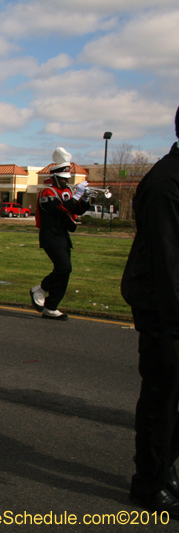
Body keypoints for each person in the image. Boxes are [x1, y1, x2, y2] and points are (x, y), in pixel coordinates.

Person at [121, 107, 179, 519]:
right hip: (166, 311)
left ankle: (165, 468)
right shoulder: (166, 182)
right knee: (163, 398)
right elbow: (169, 262)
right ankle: (149, 482)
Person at [29, 148, 89, 320]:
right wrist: (76, 197)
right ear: (55, 177)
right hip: (50, 235)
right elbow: (59, 210)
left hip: (63, 235)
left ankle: (51, 307)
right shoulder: (47, 193)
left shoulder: (67, 192)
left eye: (67, 179)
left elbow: (75, 211)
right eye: (63, 179)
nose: (66, 182)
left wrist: (84, 200)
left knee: (64, 272)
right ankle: (39, 289)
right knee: (64, 267)